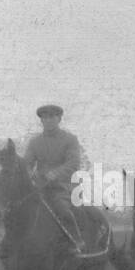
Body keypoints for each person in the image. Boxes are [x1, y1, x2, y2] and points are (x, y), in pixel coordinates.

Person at [22, 104, 86, 253]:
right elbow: (27, 163)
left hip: (63, 187)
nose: (48, 120)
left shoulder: (70, 139)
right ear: (41, 121)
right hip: (40, 187)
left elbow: (74, 162)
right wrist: (30, 174)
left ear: (59, 119)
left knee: (62, 209)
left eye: (52, 117)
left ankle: (77, 241)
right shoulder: (35, 142)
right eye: (45, 117)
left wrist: (55, 174)